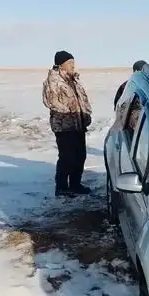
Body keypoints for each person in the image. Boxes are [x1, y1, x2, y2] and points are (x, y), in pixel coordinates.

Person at [42, 50, 94, 197]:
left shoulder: (73, 80)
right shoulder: (53, 81)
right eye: (70, 63)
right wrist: (70, 113)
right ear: (61, 64)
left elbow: (81, 99)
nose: (73, 65)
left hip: (78, 125)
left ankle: (76, 184)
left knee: (80, 155)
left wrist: (85, 113)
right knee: (67, 157)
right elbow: (51, 102)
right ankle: (62, 187)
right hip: (64, 126)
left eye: (73, 62)